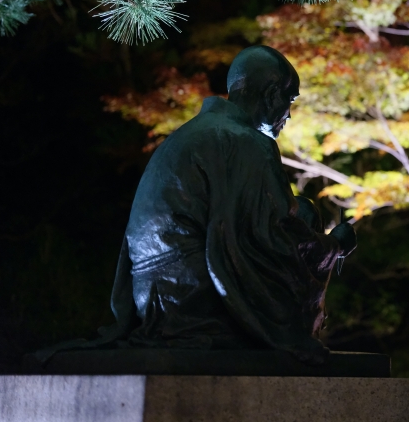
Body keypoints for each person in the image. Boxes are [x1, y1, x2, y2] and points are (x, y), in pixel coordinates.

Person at [96, 45, 354, 362]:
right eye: (289, 101)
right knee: (306, 216)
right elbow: (269, 240)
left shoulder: (193, 132)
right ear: (272, 95)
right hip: (191, 300)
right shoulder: (246, 142)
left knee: (299, 209)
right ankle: (296, 334)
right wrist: (333, 247)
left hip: (148, 294)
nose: (288, 114)